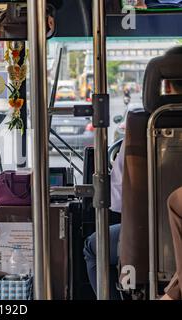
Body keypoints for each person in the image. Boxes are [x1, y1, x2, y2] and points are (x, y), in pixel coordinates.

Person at [83, 46, 182, 300]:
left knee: (94, 247)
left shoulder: (141, 127)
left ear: (165, 86)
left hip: (146, 248)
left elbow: (117, 201)